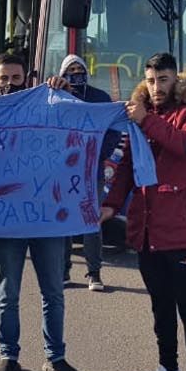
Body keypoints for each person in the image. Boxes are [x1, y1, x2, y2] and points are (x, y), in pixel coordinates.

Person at [0, 52, 82, 371]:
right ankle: (9, 358)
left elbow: (80, 123)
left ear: (28, 79)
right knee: (7, 292)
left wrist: (66, 94)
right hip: (6, 220)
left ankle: (56, 357)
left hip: (47, 220)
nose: (10, 84)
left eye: (16, 78)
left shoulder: (49, 107)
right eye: (4, 78)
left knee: (53, 291)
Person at [102, 53, 186, 371]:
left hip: (185, 229)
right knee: (160, 305)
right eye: (151, 80)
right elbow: (126, 166)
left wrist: (146, 120)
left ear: (176, 79)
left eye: (163, 79)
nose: (156, 87)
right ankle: (168, 369)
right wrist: (111, 204)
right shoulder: (142, 116)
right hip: (148, 228)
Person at [58, 54, 119, 292]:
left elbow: (113, 130)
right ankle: (64, 271)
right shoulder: (57, 96)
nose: (76, 73)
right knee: (64, 220)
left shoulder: (100, 98)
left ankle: (94, 273)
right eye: (71, 70)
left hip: (92, 171)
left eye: (79, 69)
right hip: (63, 171)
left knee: (91, 220)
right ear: (63, 74)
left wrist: (98, 153)